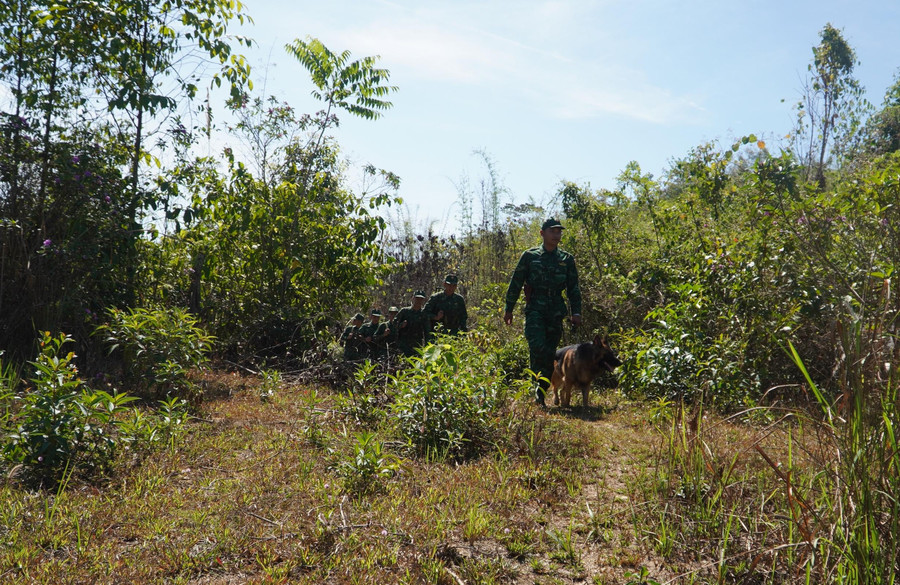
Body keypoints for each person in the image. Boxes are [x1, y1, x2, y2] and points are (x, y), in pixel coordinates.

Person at [503, 218, 582, 406]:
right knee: (538, 347)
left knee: (549, 354)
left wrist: (576, 313)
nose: (556, 235)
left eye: (559, 232)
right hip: (535, 310)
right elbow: (516, 283)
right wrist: (509, 309)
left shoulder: (566, 259)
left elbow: (573, 288)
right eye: (552, 231)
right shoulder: (530, 256)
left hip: (555, 312)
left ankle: (540, 392)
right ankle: (537, 386)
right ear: (542, 233)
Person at [394, 291, 431, 357]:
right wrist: (401, 325)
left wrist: (426, 347)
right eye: (417, 298)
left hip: (417, 345)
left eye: (421, 299)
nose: (418, 301)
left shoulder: (424, 314)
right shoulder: (404, 311)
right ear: (412, 298)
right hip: (403, 344)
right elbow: (393, 324)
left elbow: (427, 332)